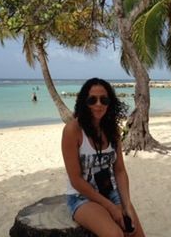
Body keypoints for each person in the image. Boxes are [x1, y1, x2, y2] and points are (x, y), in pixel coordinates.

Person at [62, 78, 145, 237]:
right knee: (115, 234)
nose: (98, 104)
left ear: (110, 102)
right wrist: (112, 208)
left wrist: (126, 205)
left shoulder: (112, 129)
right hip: (82, 197)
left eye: (104, 99)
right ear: (84, 102)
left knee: (135, 233)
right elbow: (76, 179)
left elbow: (119, 170)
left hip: (110, 191)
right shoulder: (73, 130)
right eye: (92, 99)